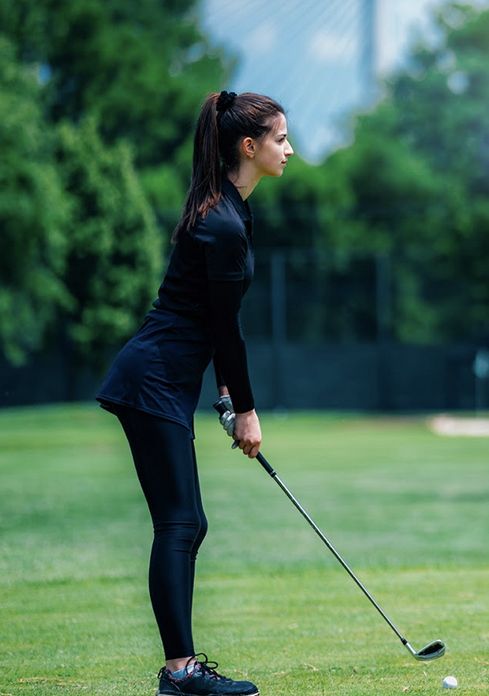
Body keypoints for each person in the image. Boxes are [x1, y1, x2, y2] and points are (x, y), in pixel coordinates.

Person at [97, 90, 293, 696]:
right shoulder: (223, 222)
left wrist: (228, 395)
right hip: (152, 380)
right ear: (248, 146)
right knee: (180, 523)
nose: (289, 149)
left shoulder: (230, 211)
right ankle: (181, 672)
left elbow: (214, 316)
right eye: (280, 138)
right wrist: (249, 411)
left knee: (188, 522)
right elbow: (227, 327)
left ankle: (180, 670)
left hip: (161, 382)